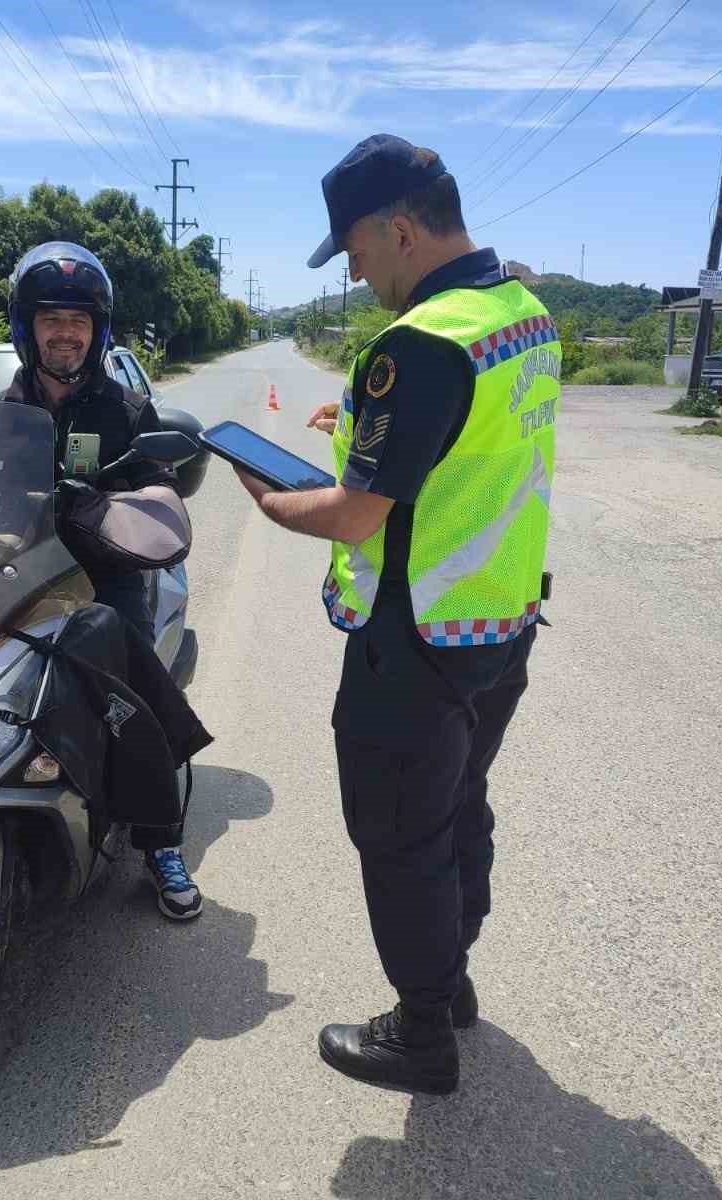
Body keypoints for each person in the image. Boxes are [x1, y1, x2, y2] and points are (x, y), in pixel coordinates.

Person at [232, 134, 559, 1094]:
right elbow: (469, 447)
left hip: (413, 643)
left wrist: (266, 498)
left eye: (357, 252)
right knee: (457, 803)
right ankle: (448, 981)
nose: (355, 272)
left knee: (400, 833)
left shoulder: (415, 345)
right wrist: (361, 428)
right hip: (499, 626)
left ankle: (422, 1035)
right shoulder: (519, 315)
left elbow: (354, 514)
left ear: (402, 229)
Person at [0, 240, 203, 921]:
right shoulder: (2, 407)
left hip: (102, 575)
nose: (64, 333)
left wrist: (119, 508)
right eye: (51, 318)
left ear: (97, 330)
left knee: (134, 693)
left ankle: (161, 840)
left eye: (78, 321)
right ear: (28, 328)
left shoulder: (123, 407)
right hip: (16, 572)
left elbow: (161, 484)